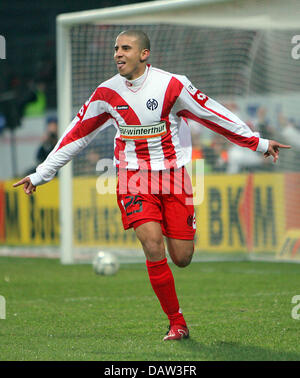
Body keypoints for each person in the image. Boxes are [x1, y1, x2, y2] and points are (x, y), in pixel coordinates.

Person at [13, 30, 291, 341]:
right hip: (133, 178)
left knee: (182, 257)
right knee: (152, 245)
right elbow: (77, 135)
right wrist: (41, 174)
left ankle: (177, 303)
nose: (118, 54)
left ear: (144, 54)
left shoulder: (172, 85)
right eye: (116, 48)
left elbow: (214, 114)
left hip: (173, 177)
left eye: (126, 48)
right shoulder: (106, 93)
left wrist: (259, 143)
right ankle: (177, 322)